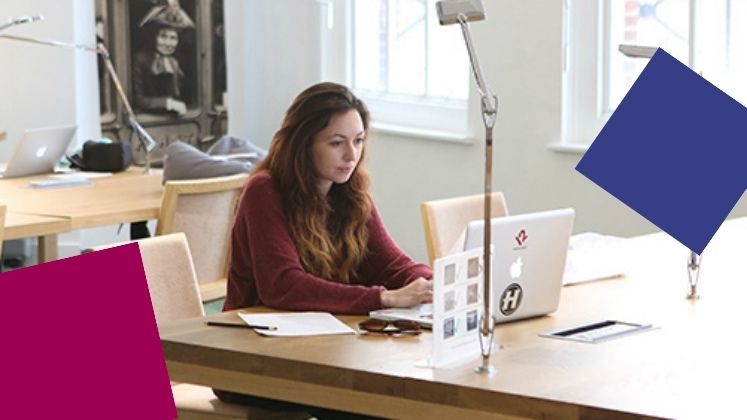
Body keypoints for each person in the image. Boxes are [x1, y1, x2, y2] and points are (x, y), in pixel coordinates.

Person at [216, 82, 433, 418]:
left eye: (358, 141)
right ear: (303, 144)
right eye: (336, 143)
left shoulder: (350, 192)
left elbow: (393, 265)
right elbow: (283, 286)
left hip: (324, 352)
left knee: (396, 395)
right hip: (253, 361)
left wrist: (435, 283)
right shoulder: (265, 191)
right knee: (375, 401)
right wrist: (384, 298)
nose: (351, 155)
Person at [132, 0, 195, 115]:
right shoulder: (139, 59)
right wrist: (168, 103)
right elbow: (137, 100)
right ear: (153, 37)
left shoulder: (175, 63)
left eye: (173, 38)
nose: (168, 43)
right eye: (163, 36)